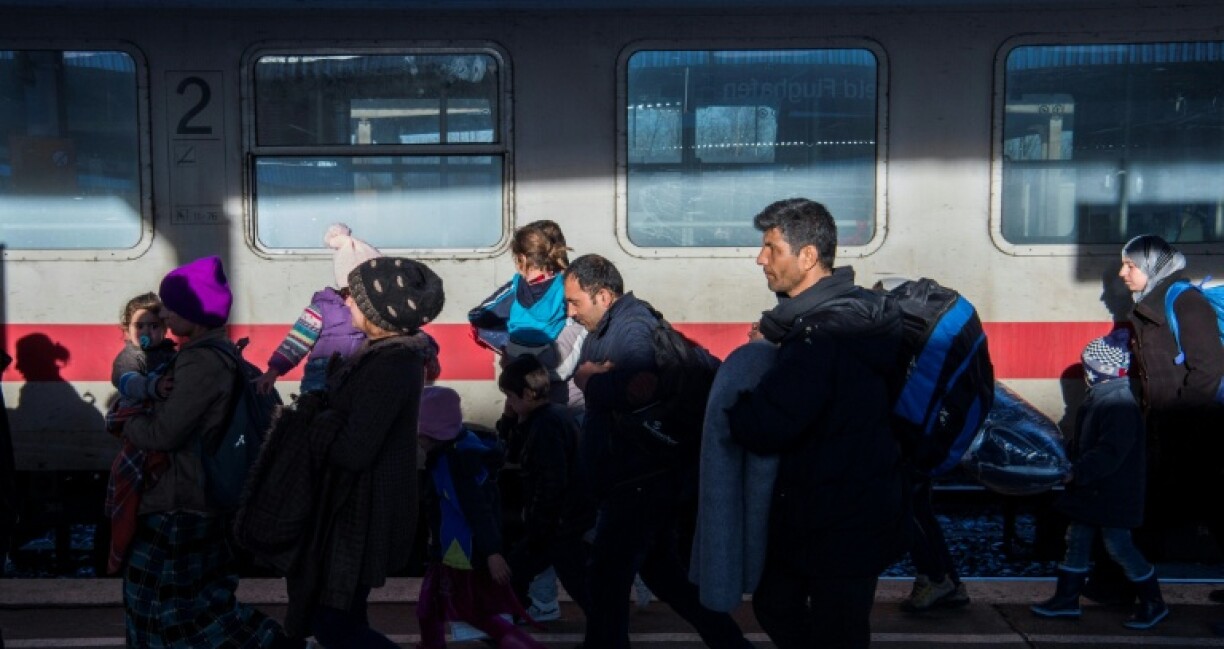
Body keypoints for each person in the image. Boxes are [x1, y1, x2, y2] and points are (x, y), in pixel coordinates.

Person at [725, 198, 907, 649]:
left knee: (827, 627)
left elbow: (764, 425)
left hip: (836, 517)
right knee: (783, 605)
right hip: (853, 504)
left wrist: (744, 377)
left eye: (771, 248)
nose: (760, 258)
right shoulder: (860, 310)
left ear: (807, 257)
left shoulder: (819, 337)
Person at [564, 253, 752, 649]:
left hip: (638, 479)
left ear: (603, 295)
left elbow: (638, 386)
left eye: (575, 302)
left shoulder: (632, 326)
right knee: (664, 574)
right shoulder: (607, 329)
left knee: (607, 577)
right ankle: (730, 642)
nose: (570, 312)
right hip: (634, 478)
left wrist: (588, 379)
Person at [120, 256, 298, 648]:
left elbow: (165, 433)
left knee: (167, 610)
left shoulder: (200, 361)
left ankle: (271, 643)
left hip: (181, 502)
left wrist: (123, 421)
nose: (163, 314)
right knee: (200, 604)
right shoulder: (220, 355)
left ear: (195, 314)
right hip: (200, 497)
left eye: (171, 306)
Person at [292, 256, 444, 648]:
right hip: (358, 507)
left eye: (356, 299)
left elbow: (355, 449)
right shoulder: (386, 356)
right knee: (343, 613)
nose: (347, 305)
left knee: (332, 624)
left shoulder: (390, 364)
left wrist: (319, 421)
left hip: (363, 510)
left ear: (380, 310)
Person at [1030, 329, 1168, 629]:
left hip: (1111, 491)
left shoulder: (1117, 404)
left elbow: (1108, 452)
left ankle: (1154, 602)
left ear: (1100, 368)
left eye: (1088, 365)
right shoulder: (1103, 399)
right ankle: (1066, 600)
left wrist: (1076, 471)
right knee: (1076, 539)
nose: (1086, 372)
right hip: (1095, 490)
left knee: (1119, 545)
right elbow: (1088, 444)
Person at [415, 385, 546, 649]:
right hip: (455, 548)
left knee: (470, 613)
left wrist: (492, 552)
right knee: (433, 607)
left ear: (429, 432)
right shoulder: (464, 448)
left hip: (459, 550)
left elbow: (476, 509)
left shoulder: (450, 463)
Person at [1119, 236, 1224, 560]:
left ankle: (1126, 589)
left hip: (1190, 429)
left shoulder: (1185, 302)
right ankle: (1129, 588)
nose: (1123, 273)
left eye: (1131, 265)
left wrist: (1180, 421)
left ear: (1153, 267)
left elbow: (1208, 368)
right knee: (1204, 507)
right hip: (1172, 428)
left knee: (1161, 507)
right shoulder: (1153, 302)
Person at [497, 355, 595, 617]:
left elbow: (552, 479)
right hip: (561, 521)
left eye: (510, 397)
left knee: (517, 569)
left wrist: (539, 524)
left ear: (528, 395)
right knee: (577, 581)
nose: (509, 402)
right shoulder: (551, 416)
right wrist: (509, 419)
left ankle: (509, 621)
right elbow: (512, 451)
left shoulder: (545, 426)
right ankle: (606, 631)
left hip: (557, 523)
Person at [470, 219, 586, 409]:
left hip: (519, 378)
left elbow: (479, 316)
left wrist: (507, 346)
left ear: (523, 259)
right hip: (559, 385)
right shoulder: (567, 286)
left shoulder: (517, 286)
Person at [254, 222, 381, 395]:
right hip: (321, 378)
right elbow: (296, 343)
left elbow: (404, 332)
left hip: (358, 376)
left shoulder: (376, 307)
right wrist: (273, 371)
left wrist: (427, 349)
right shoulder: (322, 308)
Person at [103, 292, 178, 575]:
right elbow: (128, 382)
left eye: (154, 326)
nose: (147, 332)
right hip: (139, 429)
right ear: (127, 331)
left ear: (165, 328)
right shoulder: (128, 358)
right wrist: (153, 387)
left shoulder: (171, 354)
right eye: (140, 326)